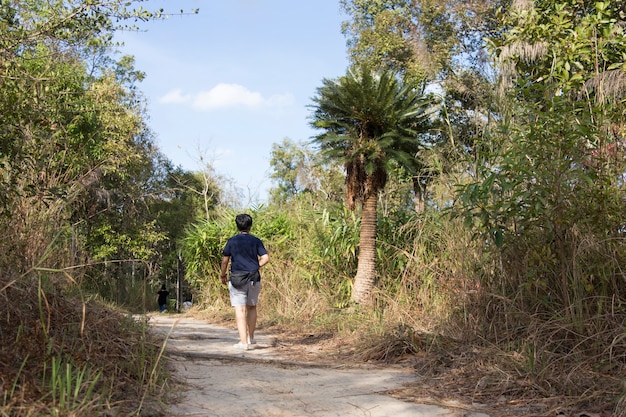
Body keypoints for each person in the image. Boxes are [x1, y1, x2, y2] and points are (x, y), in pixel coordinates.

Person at [220, 213, 269, 350]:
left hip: (237, 279)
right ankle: (251, 338)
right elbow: (265, 258)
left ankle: (243, 343)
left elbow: (225, 261)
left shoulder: (232, 241)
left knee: (240, 310)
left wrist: (222, 275)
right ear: (250, 226)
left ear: (237, 226)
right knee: (252, 307)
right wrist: (255, 266)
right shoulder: (256, 241)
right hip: (253, 277)